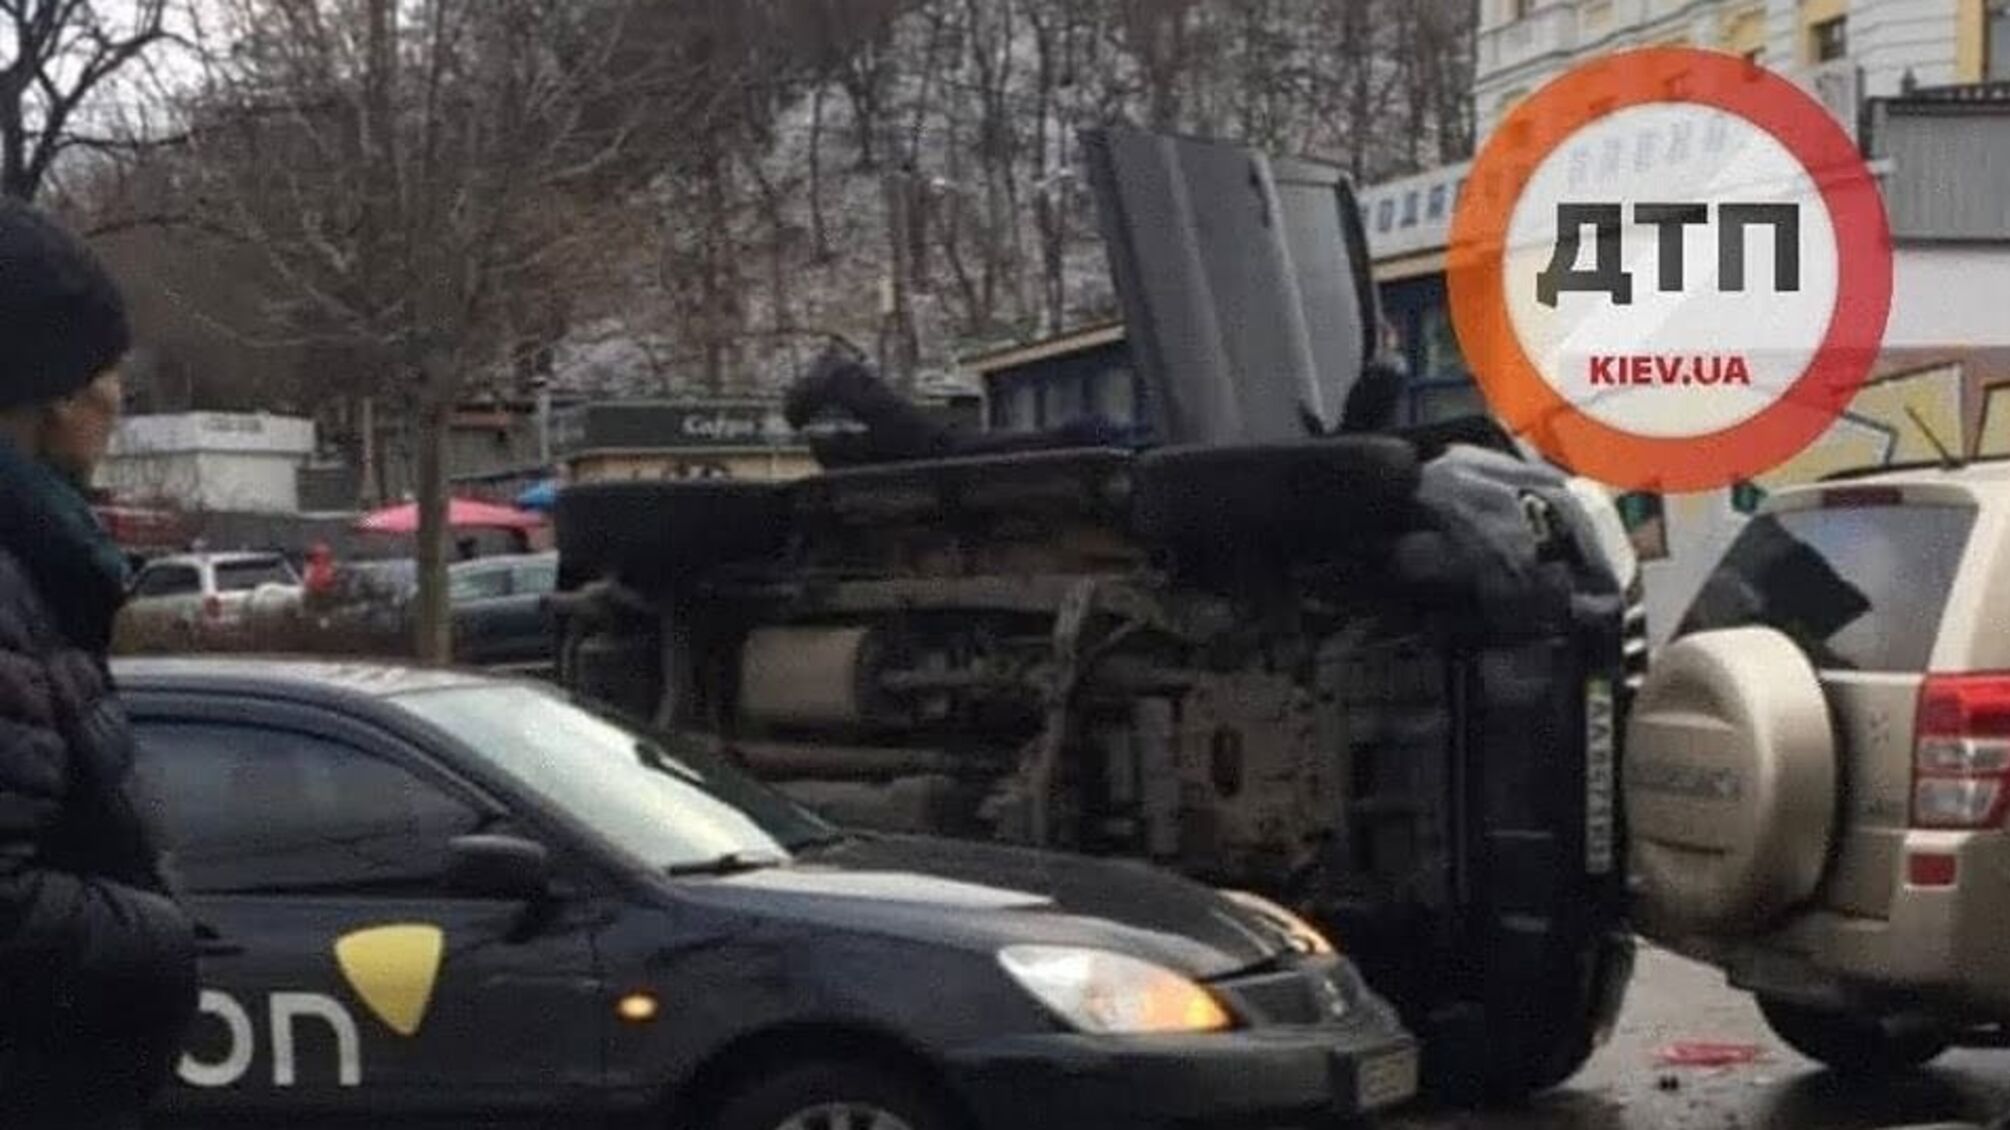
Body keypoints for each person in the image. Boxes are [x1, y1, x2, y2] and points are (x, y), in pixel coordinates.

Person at [0, 199, 198, 1127]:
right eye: (106, 372)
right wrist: (159, 932)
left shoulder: (37, 573)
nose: (119, 399)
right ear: (49, 396)